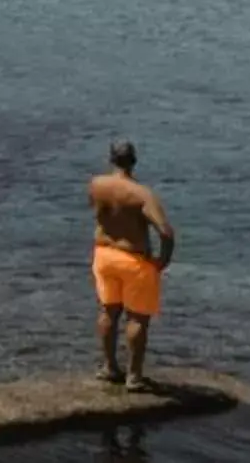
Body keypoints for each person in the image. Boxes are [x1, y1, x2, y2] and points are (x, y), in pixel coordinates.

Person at [90, 140, 177, 390]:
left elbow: (100, 214)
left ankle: (108, 367)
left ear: (111, 159)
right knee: (137, 318)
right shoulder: (141, 194)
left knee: (108, 311)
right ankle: (134, 377)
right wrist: (162, 261)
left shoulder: (96, 185)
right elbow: (166, 232)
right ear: (134, 161)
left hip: (104, 254)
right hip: (133, 259)